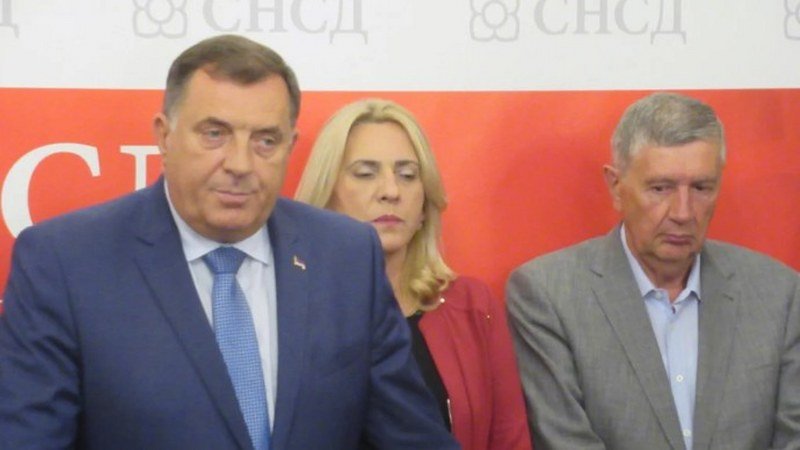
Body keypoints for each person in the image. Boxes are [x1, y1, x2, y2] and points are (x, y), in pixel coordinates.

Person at [0, 35, 459, 450]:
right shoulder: (65, 263)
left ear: (290, 145)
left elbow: (412, 435)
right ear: (164, 136)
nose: (240, 163)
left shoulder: (347, 256)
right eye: (215, 134)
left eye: (265, 140)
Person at [506, 92, 800, 450]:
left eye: (701, 188)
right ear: (616, 187)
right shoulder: (549, 294)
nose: (683, 212)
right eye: (661, 188)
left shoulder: (779, 294)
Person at [295, 98, 532, 450]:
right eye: (366, 173)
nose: (391, 191)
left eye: (407, 175)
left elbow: (509, 439)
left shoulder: (472, 305)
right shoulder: (288, 309)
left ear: (424, 204)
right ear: (325, 194)